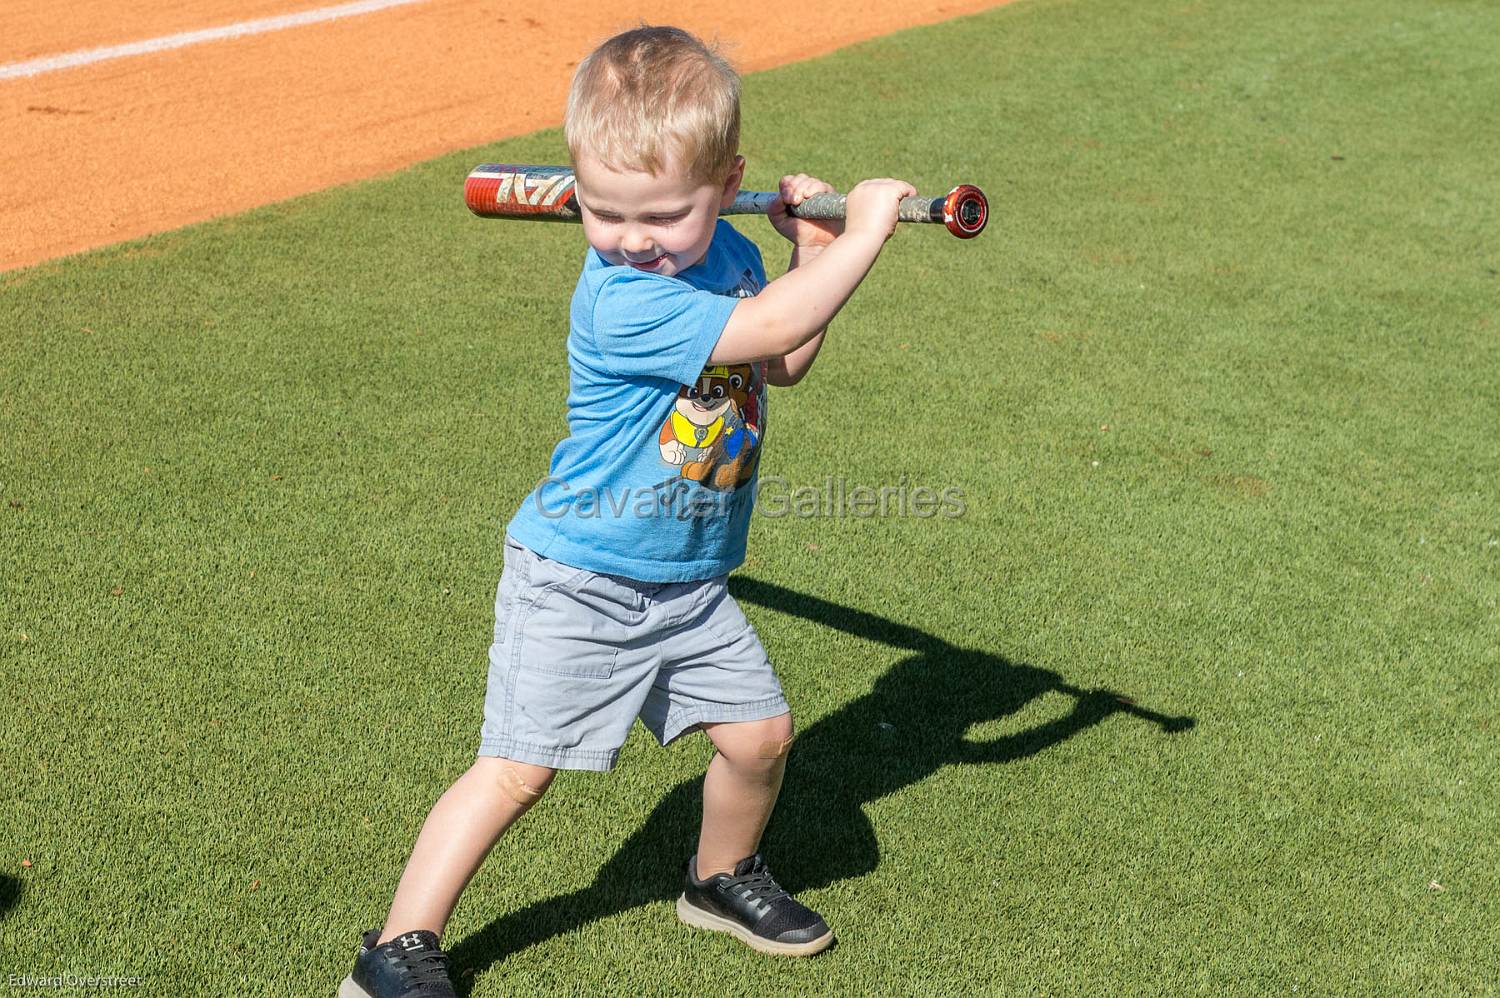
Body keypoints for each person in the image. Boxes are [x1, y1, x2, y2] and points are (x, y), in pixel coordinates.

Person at [340, 24, 915, 998]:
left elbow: (783, 357)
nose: (631, 238)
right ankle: (396, 945)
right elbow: (774, 323)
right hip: (583, 574)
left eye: (659, 213)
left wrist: (806, 247)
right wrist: (860, 236)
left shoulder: (728, 254)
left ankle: (719, 876)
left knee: (760, 737)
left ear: (724, 179)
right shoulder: (622, 300)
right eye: (603, 211)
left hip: (686, 579)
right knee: (517, 771)